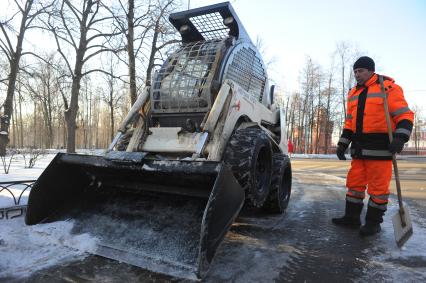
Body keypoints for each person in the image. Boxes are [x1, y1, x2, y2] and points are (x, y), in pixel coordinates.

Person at [332, 56, 414, 236]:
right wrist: (342, 144)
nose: (357, 74)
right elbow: (349, 123)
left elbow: (405, 116)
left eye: (360, 71)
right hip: (359, 149)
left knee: (378, 190)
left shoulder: (388, 88)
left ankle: (373, 224)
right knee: (354, 185)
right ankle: (352, 218)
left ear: (371, 70)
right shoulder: (353, 93)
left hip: (381, 150)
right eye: (355, 71)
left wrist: (400, 138)